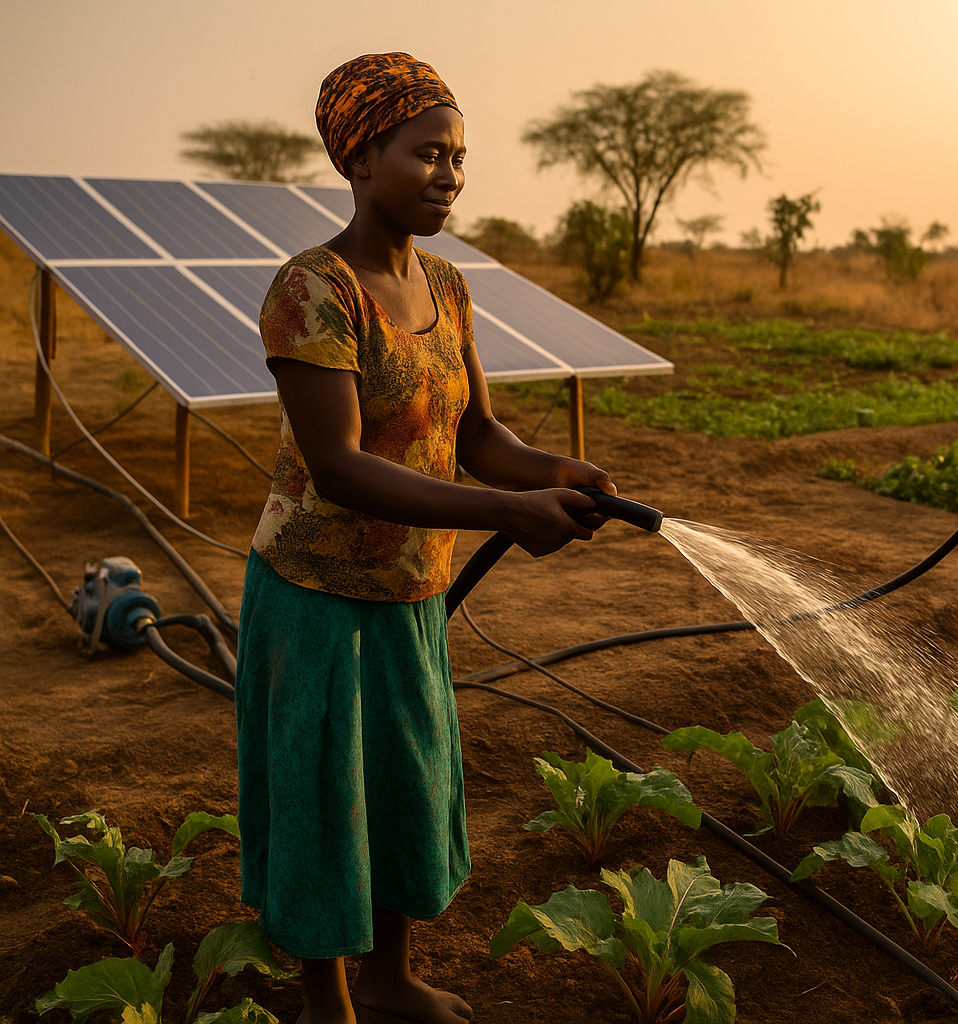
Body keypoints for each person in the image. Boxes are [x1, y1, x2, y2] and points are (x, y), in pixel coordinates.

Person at [235, 53, 613, 1024]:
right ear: (361, 159)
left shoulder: (447, 285)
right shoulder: (313, 290)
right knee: (325, 802)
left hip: (409, 590)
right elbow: (341, 466)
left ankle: (393, 979)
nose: (448, 173)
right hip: (315, 596)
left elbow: (479, 438)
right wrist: (507, 514)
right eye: (426, 153)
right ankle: (329, 1000)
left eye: (459, 157)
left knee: (405, 785)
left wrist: (560, 475)